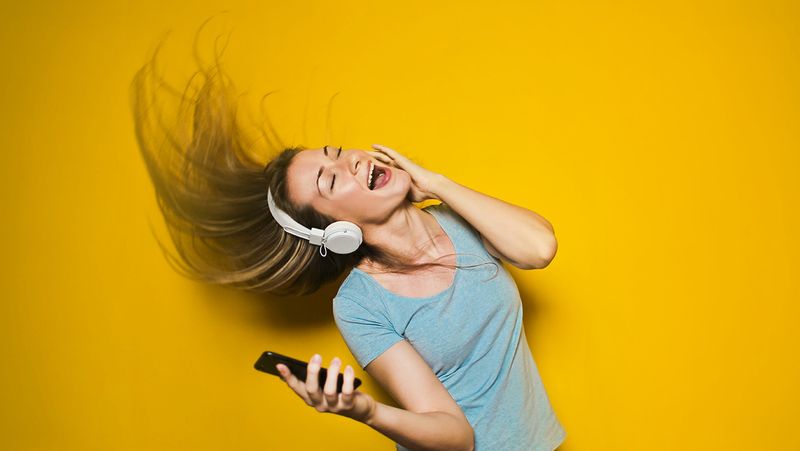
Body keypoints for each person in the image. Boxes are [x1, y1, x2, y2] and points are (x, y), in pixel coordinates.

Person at [130, 41, 566, 451]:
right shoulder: (360, 305)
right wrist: (365, 410)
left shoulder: (460, 219)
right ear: (336, 231)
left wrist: (436, 183)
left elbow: (539, 248)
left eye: (337, 152)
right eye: (332, 178)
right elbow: (457, 438)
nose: (352, 161)